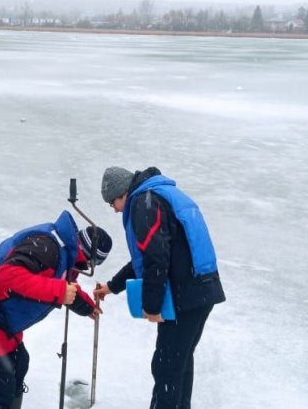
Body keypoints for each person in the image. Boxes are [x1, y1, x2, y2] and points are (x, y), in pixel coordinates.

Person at [0, 210, 112, 409]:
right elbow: (7, 277)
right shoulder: (47, 247)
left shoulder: (63, 248)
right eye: (87, 265)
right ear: (88, 258)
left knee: (18, 364)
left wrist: (87, 307)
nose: (83, 270)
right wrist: (59, 292)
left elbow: (60, 281)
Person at [94, 166, 225, 409]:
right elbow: (147, 256)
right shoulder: (158, 195)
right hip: (201, 291)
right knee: (179, 363)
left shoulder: (144, 204)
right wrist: (113, 286)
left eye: (112, 202)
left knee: (166, 367)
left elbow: (156, 257)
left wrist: (152, 307)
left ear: (123, 193)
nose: (114, 209)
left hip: (185, 296)